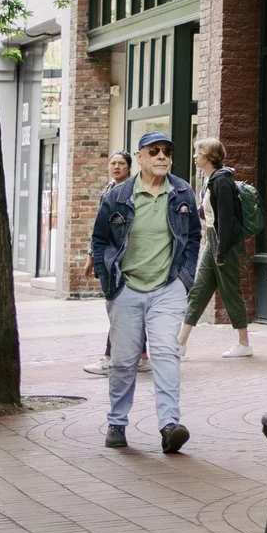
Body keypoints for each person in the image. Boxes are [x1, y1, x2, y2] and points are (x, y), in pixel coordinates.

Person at [89, 132, 198, 453]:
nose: (162, 157)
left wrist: (184, 279)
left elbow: (192, 237)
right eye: (154, 151)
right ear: (140, 157)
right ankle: (117, 422)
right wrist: (108, 278)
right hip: (126, 289)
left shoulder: (181, 193)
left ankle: (169, 425)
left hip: (168, 289)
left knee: (166, 354)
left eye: (167, 151)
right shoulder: (118, 196)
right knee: (123, 361)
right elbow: (100, 240)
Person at [180, 140, 252, 358]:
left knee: (230, 291)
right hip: (211, 240)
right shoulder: (210, 179)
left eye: (198, 152)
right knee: (199, 290)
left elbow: (227, 221)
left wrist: (221, 252)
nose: (194, 156)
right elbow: (210, 213)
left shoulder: (222, 182)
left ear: (209, 156)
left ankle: (244, 344)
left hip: (223, 243)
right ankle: (180, 343)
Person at [81, 148, 131, 378]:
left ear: (130, 167)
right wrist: (92, 257)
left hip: (120, 260)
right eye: (114, 163)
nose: (117, 167)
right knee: (124, 309)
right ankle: (141, 357)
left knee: (120, 309)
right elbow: (99, 229)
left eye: (121, 163)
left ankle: (111, 357)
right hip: (107, 257)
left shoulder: (129, 193)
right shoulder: (109, 190)